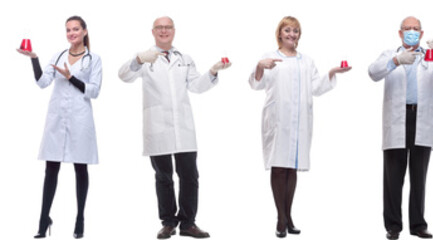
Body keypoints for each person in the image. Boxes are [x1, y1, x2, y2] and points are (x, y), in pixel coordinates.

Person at [118, 16, 229, 239]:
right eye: (159, 27)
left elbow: (196, 86)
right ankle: (168, 222)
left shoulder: (184, 58)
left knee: (189, 176)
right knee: (163, 177)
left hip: (183, 126)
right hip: (157, 126)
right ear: (153, 31)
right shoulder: (146, 58)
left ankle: (188, 223)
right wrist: (138, 59)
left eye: (168, 27)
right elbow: (124, 76)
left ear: (174, 31)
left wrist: (213, 71)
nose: (164, 31)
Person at [248, 16, 351, 238]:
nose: (291, 35)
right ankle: (280, 218)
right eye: (287, 30)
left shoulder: (307, 61)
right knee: (278, 166)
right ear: (279, 33)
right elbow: (256, 84)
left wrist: (332, 73)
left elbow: (316, 86)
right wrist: (258, 66)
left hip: (299, 121)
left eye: (295, 31)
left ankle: (289, 215)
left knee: (292, 167)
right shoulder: (270, 58)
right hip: (277, 120)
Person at [365, 16, 433, 240]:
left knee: (419, 176)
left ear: (422, 34)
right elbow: (373, 73)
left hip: (422, 119)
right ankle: (393, 226)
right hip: (397, 119)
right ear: (400, 33)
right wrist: (396, 60)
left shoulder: (431, 56)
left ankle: (418, 225)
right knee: (393, 176)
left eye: (416, 29)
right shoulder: (389, 54)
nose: (412, 32)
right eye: (408, 29)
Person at [18, 15, 102, 240]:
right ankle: (43, 220)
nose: (71, 33)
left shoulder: (93, 59)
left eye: (76, 29)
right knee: (51, 169)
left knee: (80, 169)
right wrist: (34, 58)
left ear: (85, 31)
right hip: (57, 119)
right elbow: (42, 82)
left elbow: (94, 91)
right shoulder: (58, 55)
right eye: (68, 30)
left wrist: (70, 77)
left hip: (80, 119)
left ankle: (80, 218)